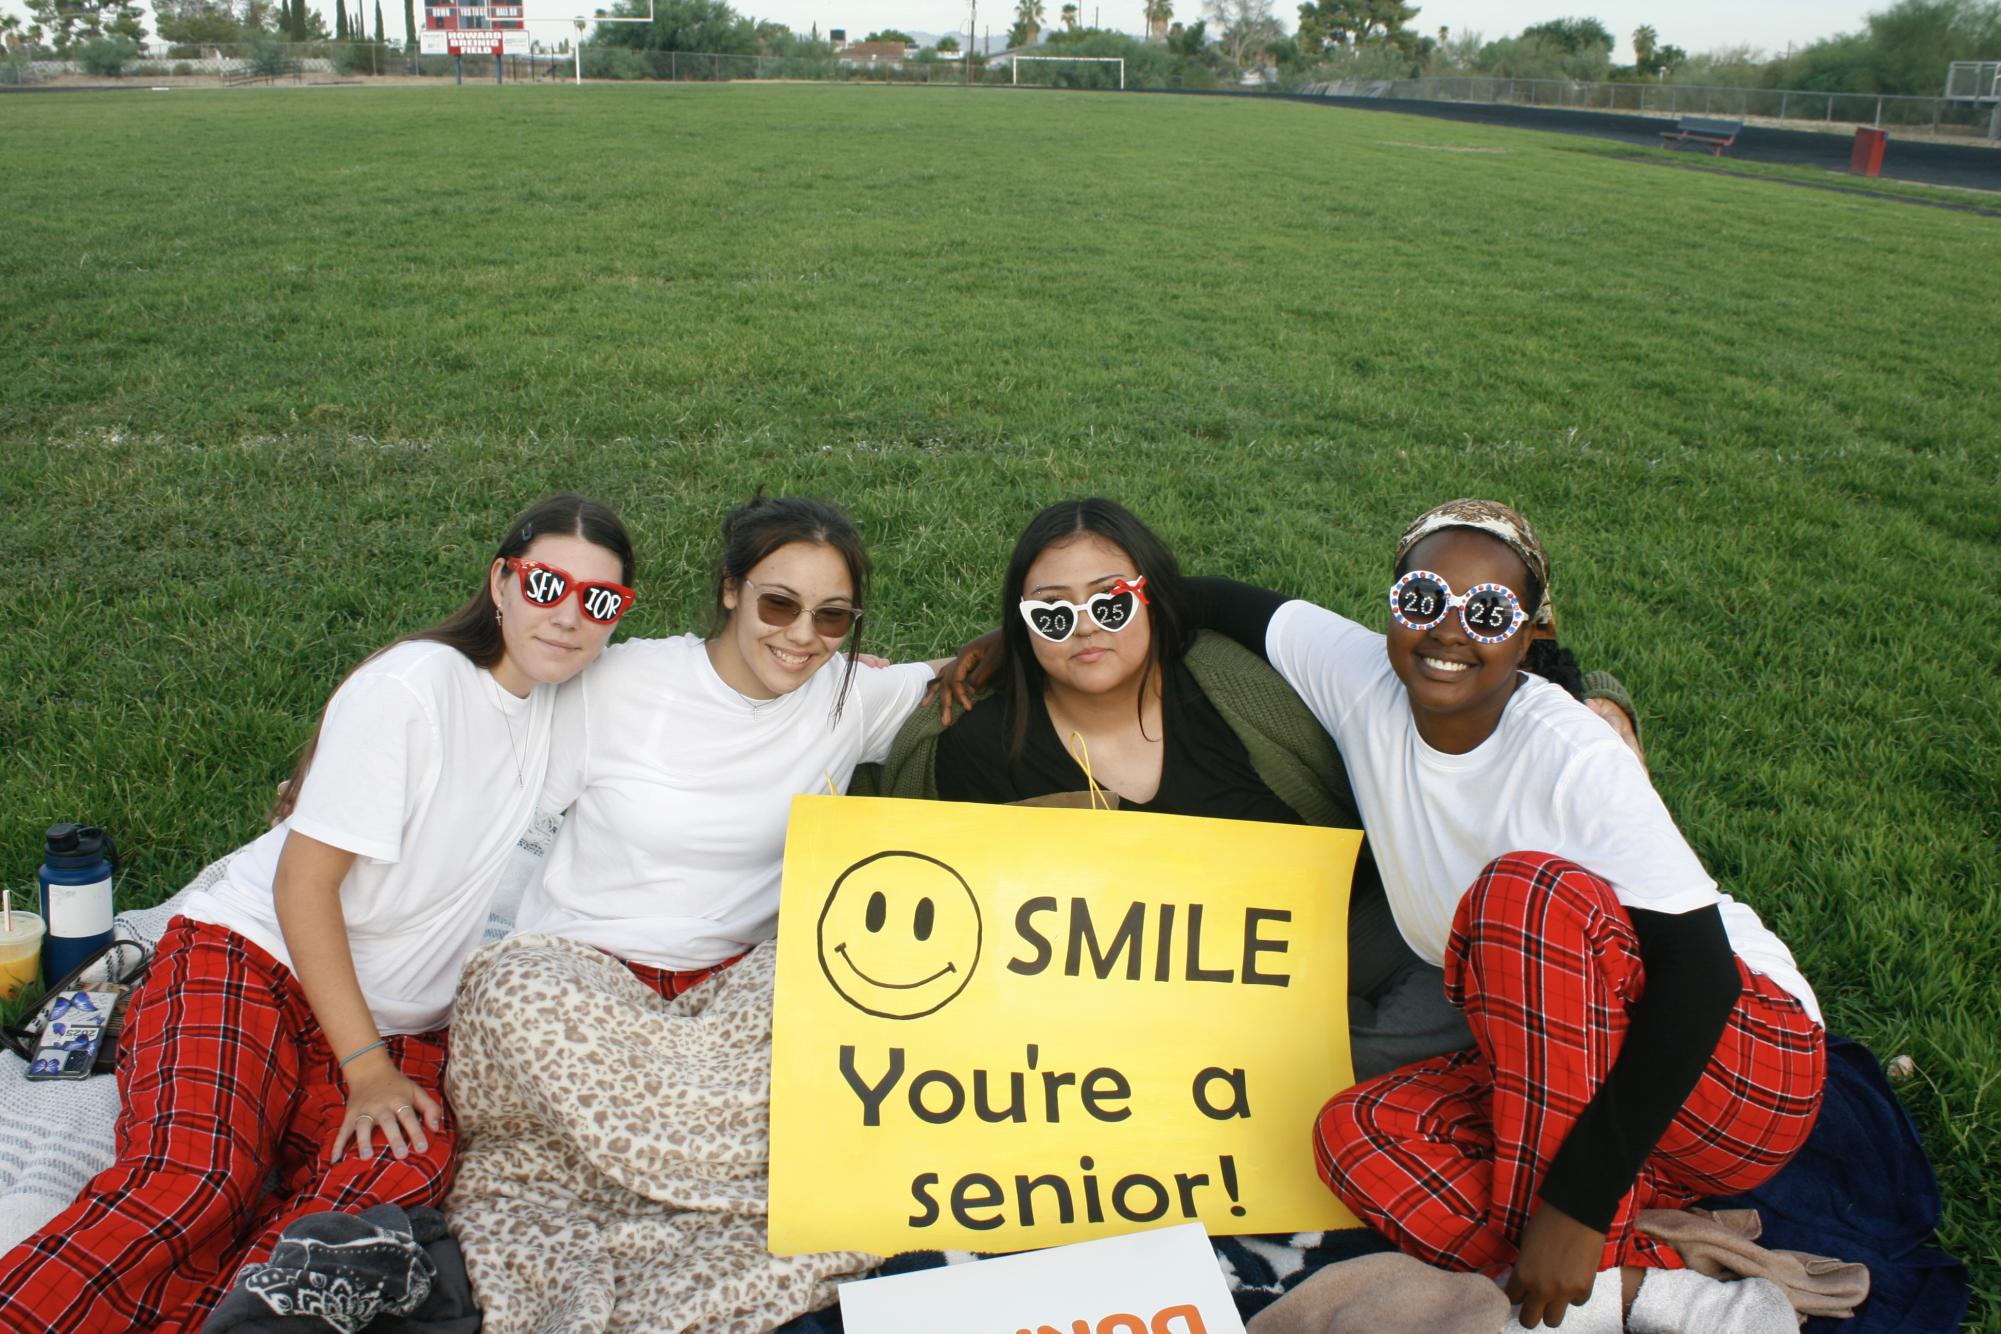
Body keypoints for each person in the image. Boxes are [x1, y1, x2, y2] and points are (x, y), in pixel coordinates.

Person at [0, 494, 637, 1333]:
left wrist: (867, 683)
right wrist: (367, 1067)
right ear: (501, 581)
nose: (568, 616)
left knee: (355, 1219)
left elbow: (723, 671)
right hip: (256, 961)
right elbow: (301, 886)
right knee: (196, 1183)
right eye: (547, 583)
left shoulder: (569, 706)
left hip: (402, 1017)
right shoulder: (416, 688)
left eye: (599, 601)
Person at [1189, 499, 1824, 1333]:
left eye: (1487, 613)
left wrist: (1580, 1199)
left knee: (1519, 896)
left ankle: (1581, 1237)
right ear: (1391, 608)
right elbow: (1207, 595)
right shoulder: (1357, 676)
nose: (1449, 631)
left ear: (1528, 637)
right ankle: (1639, 1287)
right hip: (1567, 1081)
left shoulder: (1566, 755)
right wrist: (1022, 647)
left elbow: (1697, 977)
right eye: (1423, 599)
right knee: (1355, 1133)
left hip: (1739, 1063)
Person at [875, 497, 1474, 1080]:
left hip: (1326, 939)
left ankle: (1290, 1070)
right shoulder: (976, 746)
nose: (1084, 628)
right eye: (1051, 614)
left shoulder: (1247, 687)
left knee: (1464, 991)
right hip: (1123, 1004)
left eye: (1111, 603)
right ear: (1021, 626)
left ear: (1153, 598)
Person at [513, 492, 952, 1000]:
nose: (804, 635)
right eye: (779, 605)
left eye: (831, 617)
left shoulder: (847, 696)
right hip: (585, 966)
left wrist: (986, 647)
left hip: (741, 985)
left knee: (837, 1021)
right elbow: (506, 810)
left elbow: (969, 673)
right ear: (731, 590)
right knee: (517, 1002)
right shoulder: (616, 682)